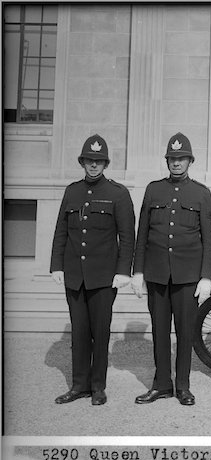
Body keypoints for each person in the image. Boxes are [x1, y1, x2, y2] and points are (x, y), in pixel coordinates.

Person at [50, 134, 135, 406]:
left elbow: (127, 236)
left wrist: (123, 271)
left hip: (102, 278)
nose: (94, 165)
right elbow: (61, 230)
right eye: (89, 160)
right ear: (82, 162)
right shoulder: (72, 191)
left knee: (101, 333)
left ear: (105, 163)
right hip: (75, 275)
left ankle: (98, 386)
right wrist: (56, 265)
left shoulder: (117, 194)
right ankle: (79, 385)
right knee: (79, 331)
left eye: (99, 161)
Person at [132, 132, 211, 406]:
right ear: (167, 161)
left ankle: (183, 386)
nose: (176, 163)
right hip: (157, 273)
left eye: (181, 159)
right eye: (172, 159)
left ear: (190, 161)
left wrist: (205, 276)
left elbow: (208, 238)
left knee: (185, 332)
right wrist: (138, 271)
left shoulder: (201, 193)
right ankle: (162, 384)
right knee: (159, 330)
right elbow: (142, 232)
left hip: (187, 276)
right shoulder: (154, 190)